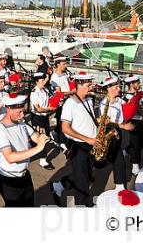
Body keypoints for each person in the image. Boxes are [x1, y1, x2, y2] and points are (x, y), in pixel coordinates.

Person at [50, 71, 99, 207]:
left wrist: (100, 121)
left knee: (86, 174)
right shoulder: (70, 103)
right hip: (78, 145)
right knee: (82, 181)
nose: (92, 86)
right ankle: (82, 206)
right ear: (80, 84)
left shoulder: (89, 99)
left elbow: (88, 118)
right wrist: (87, 139)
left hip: (90, 143)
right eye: (89, 84)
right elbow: (65, 128)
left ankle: (59, 185)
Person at [0, 94, 48, 207]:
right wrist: (38, 148)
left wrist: (42, 137)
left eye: (23, 111)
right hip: (8, 179)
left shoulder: (21, 123)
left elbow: (36, 138)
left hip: (24, 175)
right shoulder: (0, 129)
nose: (23, 115)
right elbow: (10, 157)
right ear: (8, 109)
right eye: (19, 112)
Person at [98, 77, 135, 191]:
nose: (119, 89)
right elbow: (105, 122)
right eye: (116, 87)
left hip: (119, 130)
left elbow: (127, 107)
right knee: (118, 158)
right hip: (111, 131)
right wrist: (123, 126)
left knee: (115, 155)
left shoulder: (119, 100)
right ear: (109, 89)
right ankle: (119, 185)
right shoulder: (103, 104)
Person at [29, 71, 57, 169]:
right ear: (37, 81)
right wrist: (49, 109)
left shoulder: (45, 90)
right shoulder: (34, 92)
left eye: (44, 79)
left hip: (44, 117)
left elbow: (50, 100)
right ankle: (43, 160)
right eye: (42, 80)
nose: (44, 81)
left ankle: (32, 146)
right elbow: (38, 108)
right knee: (42, 137)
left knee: (43, 135)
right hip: (37, 117)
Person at [123, 74, 143, 174]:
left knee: (142, 143)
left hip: (140, 121)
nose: (139, 84)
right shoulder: (126, 97)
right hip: (133, 122)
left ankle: (125, 151)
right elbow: (127, 111)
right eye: (137, 83)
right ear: (131, 84)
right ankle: (135, 166)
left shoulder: (139, 94)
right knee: (136, 144)